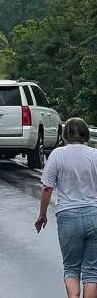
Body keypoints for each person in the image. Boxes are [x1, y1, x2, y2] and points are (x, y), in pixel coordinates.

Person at [36, 118, 97, 298]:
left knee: (71, 267)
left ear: (64, 135)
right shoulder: (95, 154)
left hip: (68, 216)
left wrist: (42, 215)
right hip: (94, 214)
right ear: (85, 134)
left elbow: (47, 187)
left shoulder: (57, 155)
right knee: (92, 270)